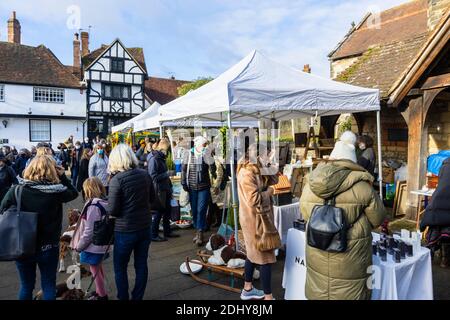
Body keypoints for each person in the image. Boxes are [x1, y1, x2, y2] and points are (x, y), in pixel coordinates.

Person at [300, 131, 386, 300]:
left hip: (318, 254)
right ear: (352, 159)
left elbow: (304, 214)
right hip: (350, 261)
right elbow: (378, 219)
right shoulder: (363, 187)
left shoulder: (310, 184)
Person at [0, 155, 78, 300]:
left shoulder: (17, 190)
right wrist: (63, 177)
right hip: (48, 247)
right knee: (48, 286)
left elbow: (2, 210)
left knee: (26, 286)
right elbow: (74, 193)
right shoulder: (56, 192)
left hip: (22, 245)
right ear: (52, 171)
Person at [107, 144, 153, 300]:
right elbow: (152, 199)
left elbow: (112, 210)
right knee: (141, 264)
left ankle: (123, 297)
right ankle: (137, 297)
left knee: (120, 267)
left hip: (124, 230)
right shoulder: (145, 174)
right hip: (145, 227)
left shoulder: (116, 180)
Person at [237, 144, 278, 301]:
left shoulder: (258, 168)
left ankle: (247, 289)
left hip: (257, 219)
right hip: (255, 221)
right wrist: (269, 192)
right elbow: (254, 199)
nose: (267, 156)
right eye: (265, 154)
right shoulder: (247, 172)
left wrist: (269, 164)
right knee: (265, 257)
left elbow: (274, 179)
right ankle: (268, 297)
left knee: (252, 255)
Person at [72, 177, 110, 300]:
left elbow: (89, 231)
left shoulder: (93, 206)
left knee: (95, 270)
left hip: (93, 245)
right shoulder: (104, 202)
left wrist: (79, 246)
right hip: (102, 243)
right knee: (98, 267)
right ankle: (100, 291)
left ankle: (102, 295)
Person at [182, 136, 217, 246]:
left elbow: (213, 170)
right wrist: (183, 182)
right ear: (197, 145)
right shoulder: (188, 154)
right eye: (203, 145)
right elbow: (183, 169)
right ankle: (198, 230)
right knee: (195, 210)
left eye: (205, 145)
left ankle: (200, 232)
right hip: (192, 186)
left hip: (204, 186)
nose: (204, 146)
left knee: (202, 209)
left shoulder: (206, 154)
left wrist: (210, 159)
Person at [420, 158, 450, 268]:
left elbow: (441, 181)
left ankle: (429, 257)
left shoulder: (444, 164)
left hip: (437, 202)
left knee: (436, 226)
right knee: (446, 228)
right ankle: (444, 259)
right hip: (445, 205)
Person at [148, 138, 179, 242]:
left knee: (166, 211)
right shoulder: (154, 158)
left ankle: (167, 231)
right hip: (159, 189)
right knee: (159, 212)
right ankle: (153, 234)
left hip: (164, 188)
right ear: (163, 147)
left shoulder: (160, 157)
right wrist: (167, 174)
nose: (168, 150)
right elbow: (153, 176)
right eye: (168, 148)